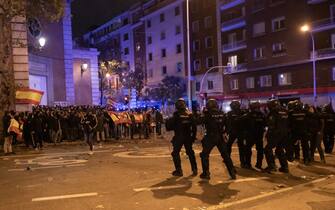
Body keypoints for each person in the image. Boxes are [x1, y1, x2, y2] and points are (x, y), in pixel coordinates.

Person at [199, 99, 236, 180]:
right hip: (220, 136)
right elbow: (229, 125)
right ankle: (232, 172)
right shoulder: (222, 114)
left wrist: (201, 114)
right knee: (225, 155)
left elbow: (198, 122)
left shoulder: (207, 114)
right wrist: (225, 132)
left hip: (210, 137)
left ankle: (206, 173)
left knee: (204, 155)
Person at [166, 98, 197, 177]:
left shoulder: (176, 115)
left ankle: (179, 170)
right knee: (190, 152)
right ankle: (194, 168)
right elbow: (194, 126)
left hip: (179, 137)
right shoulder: (189, 114)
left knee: (175, 153)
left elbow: (169, 127)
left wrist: (168, 121)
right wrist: (193, 137)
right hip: (188, 136)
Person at [264, 99, 289, 173]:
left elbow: (269, 122)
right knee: (279, 149)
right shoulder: (285, 111)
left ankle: (271, 166)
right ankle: (285, 167)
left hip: (275, 133)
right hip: (284, 133)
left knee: (267, 149)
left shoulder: (273, 111)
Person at [244, 102, 266, 170]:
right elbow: (265, 124)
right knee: (260, 150)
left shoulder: (249, 114)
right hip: (259, 135)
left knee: (247, 149)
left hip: (251, 135)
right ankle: (259, 164)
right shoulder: (262, 115)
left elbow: (242, 123)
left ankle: (248, 164)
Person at [226, 100, 246, 168]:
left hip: (234, 131)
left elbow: (228, 123)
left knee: (229, 145)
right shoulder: (243, 112)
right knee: (241, 147)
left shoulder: (230, 113)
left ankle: (227, 159)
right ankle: (242, 162)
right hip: (240, 131)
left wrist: (227, 131)